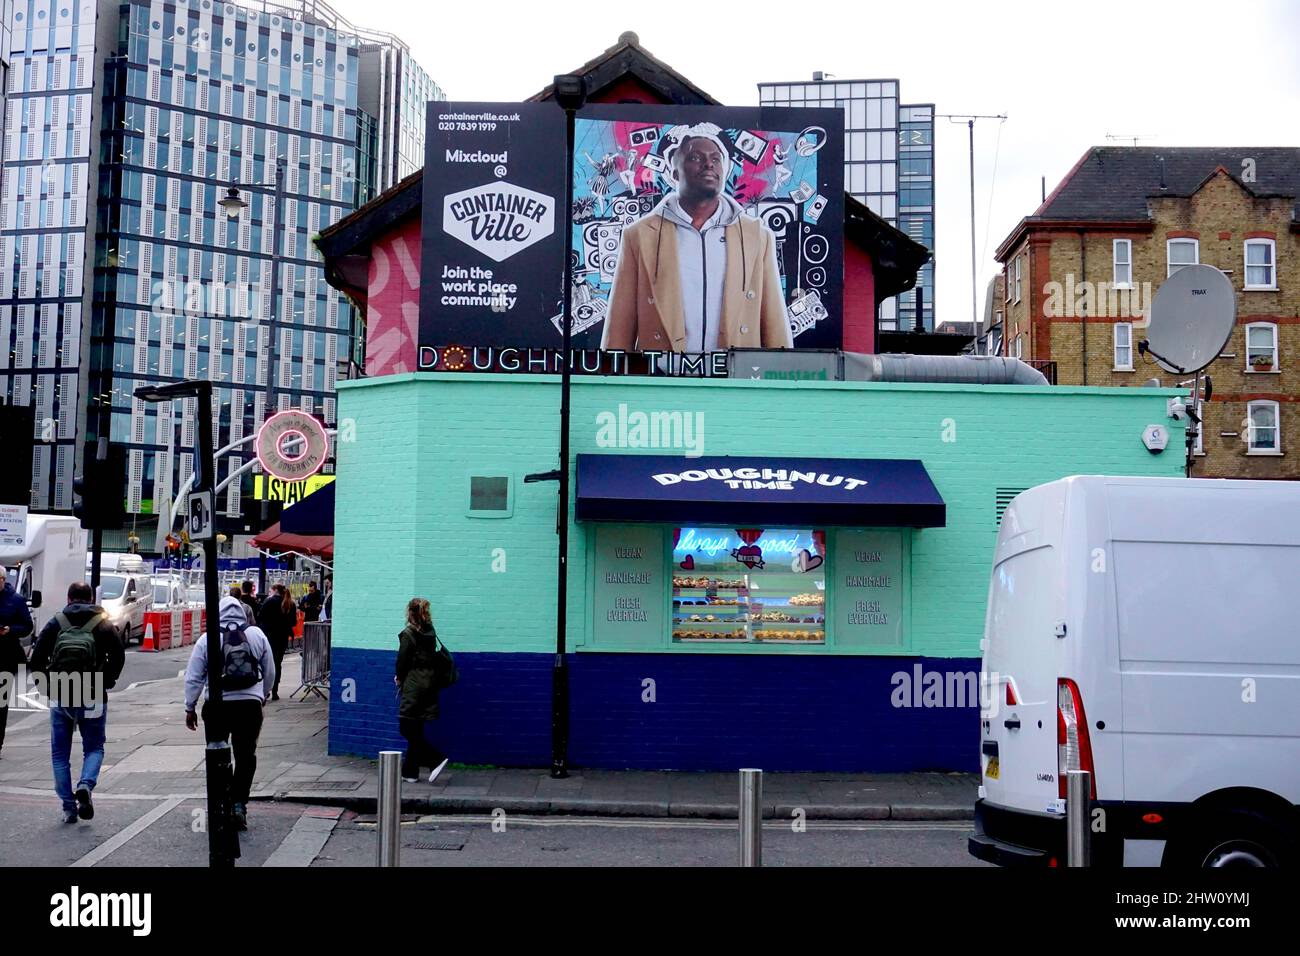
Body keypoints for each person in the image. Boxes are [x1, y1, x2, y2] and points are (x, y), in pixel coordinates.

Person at [601, 126, 792, 354]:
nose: (709, 164)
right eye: (695, 157)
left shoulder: (757, 236)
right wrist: (613, 384)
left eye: (716, 159)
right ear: (674, 173)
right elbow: (619, 332)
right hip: (663, 381)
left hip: (735, 383)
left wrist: (782, 383)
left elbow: (775, 327)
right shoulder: (640, 235)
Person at [28, 582, 125, 823]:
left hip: (61, 692)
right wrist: (108, 680)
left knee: (60, 754)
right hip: (92, 692)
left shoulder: (56, 622)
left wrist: (46, 687)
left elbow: (37, 658)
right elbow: (118, 655)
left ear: (69, 598)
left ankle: (69, 807)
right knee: (94, 747)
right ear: (91, 598)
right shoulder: (101, 622)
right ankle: (85, 785)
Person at [183, 595, 275, 831]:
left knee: (217, 756)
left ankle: (221, 805)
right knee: (246, 756)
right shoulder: (256, 635)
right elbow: (270, 670)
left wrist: (189, 707)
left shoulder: (208, 638)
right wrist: (262, 694)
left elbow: (193, 676)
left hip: (217, 706)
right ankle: (238, 805)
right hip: (249, 705)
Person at [395, 598, 450, 784]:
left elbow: (402, 661)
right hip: (430, 682)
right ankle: (410, 772)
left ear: (410, 613)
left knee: (406, 725)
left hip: (415, 684)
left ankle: (435, 759)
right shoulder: (430, 631)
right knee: (416, 726)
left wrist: (399, 677)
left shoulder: (409, 634)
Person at [0, 566, 35, 759]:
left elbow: (27, 626)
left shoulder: (16, 600)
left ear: (3, 580)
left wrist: (9, 630)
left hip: (5, 657)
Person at [257, 584, 295, 701]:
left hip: (269, 636)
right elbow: (293, 622)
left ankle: (265, 690)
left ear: (275, 591)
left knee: (266, 663)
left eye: (270, 590)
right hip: (282, 637)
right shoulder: (290, 604)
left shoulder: (269, 602)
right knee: (277, 663)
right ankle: (275, 690)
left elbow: (260, 617)